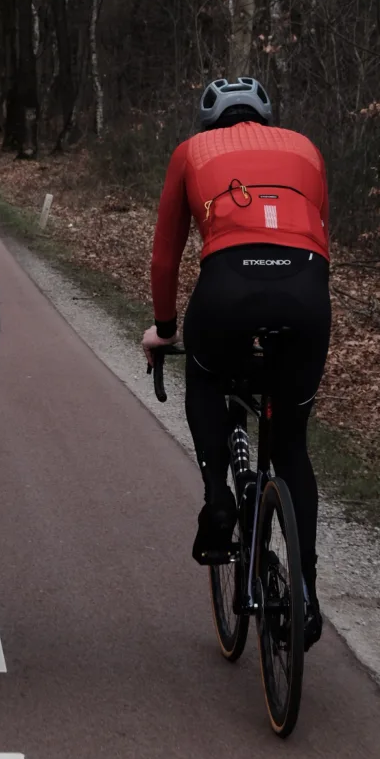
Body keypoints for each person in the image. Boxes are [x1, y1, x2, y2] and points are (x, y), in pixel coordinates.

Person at [142, 78, 331, 650]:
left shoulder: (190, 152)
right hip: (304, 288)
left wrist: (166, 329)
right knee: (291, 441)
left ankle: (218, 496)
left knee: (204, 373)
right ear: (268, 116)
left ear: (207, 123)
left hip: (226, 288)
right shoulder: (306, 148)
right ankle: (304, 595)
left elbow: (164, 254)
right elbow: (322, 231)